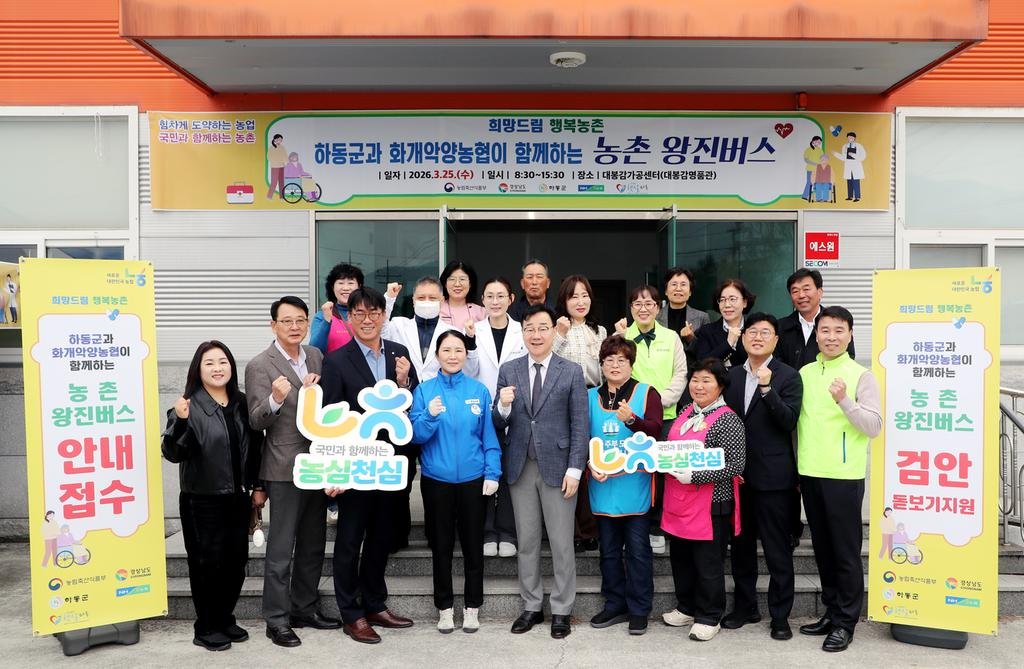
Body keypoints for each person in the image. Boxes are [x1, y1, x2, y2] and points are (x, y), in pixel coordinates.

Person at [320, 287, 419, 644]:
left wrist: (405, 381)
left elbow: (413, 402)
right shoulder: (336, 361)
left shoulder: (399, 353)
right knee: (350, 540)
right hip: (355, 467)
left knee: (381, 537)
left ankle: (375, 603)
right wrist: (335, 470)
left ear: (383, 316)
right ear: (349, 319)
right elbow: (330, 417)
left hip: (392, 464)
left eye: (374, 312)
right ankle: (352, 613)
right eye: (359, 313)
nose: (367, 319)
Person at [245, 296, 337, 648]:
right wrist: (275, 399)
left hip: (317, 463)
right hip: (283, 466)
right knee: (281, 548)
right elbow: (256, 420)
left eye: (300, 320)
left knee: (313, 543)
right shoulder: (259, 365)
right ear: (274, 326)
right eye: (287, 321)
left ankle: (304, 609)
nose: (294, 327)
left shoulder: (316, 356)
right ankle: (277, 620)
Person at [494, 304, 588, 640]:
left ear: (553, 331)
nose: (536, 335)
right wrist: (503, 405)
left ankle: (562, 608)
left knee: (562, 543)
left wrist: (575, 468)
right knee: (528, 541)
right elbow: (497, 421)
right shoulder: (509, 369)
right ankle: (531, 605)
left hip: (559, 467)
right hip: (521, 466)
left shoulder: (571, 371)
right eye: (530, 329)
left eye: (542, 328)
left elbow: (580, 424)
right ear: (523, 333)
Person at [163, 340, 262, 651]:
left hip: (237, 498)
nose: (217, 368)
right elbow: (173, 453)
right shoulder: (187, 406)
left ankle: (224, 618)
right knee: (207, 564)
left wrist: (258, 486)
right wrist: (180, 422)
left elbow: (255, 449)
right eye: (209, 363)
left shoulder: (241, 403)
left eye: (223, 362)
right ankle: (206, 626)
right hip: (201, 500)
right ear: (198, 369)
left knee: (236, 562)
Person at [796, 306, 881, 652]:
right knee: (823, 549)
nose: (831, 337)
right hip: (810, 472)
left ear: (850, 335)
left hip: (844, 476)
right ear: (816, 335)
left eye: (838, 330)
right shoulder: (804, 372)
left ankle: (846, 622)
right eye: (825, 330)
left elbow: (873, 426)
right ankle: (831, 612)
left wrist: (844, 400)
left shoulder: (862, 375)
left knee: (845, 552)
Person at [410, 330, 502, 634]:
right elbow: (415, 436)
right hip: (437, 481)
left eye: (458, 350)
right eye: (447, 350)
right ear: (437, 355)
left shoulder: (479, 390)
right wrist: (429, 416)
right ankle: (445, 608)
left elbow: (489, 437)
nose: (452, 355)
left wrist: (492, 473)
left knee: (474, 547)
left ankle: (472, 607)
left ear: (466, 355)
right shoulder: (424, 391)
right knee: (442, 547)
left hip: (474, 481)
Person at [720, 314, 803, 641]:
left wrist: (767, 389)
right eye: (751, 332)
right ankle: (745, 607)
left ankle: (780, 617)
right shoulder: (731, 376)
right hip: (737, 477)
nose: (757, 337)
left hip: (774, 480)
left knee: (777, 550)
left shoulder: (788, 376)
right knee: (741, 548)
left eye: (765, 332)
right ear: (742, 339)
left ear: (776, 340)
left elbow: (789, 421)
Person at [661, 358, 746, 642]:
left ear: (720, 386)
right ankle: (686, 607)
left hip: (711, 504)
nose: (698, 386)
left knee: (708, 563)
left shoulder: (728, 419)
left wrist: (695, 476)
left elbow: (736, 465)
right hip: (678, 501)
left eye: (706, 381)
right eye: (695, 380)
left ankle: (710, 616)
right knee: (681, 559)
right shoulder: (686, 410)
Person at [587, 337, 663, 636]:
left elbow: (656, 431)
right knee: (608, 552)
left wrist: (632, 420)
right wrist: (589, 464)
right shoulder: (590, 396)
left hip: (635, 486)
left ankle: (639, 609)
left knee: (638, 551)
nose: (615, 365)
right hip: (602, 485)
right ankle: (614, 604)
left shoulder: (646, 393)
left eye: (621, 360)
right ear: (601, 365)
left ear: (631, 364)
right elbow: (581, 436)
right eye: (609, 360)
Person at [614, 284, 688, 555]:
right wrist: (636, 407)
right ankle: (630, 525)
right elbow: (615, 374)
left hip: (665, 417)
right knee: (632, 471)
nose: (643, 309)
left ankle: (657, 527)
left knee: (661, 472)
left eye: (649, 304)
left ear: (658, 307)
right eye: (637, 304)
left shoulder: (671, 337)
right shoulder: (622, 337)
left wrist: (658, 402)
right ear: (631, 308)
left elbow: (681, 374)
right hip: (629, 417)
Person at [474, 277, 527, 557]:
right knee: (484, 469)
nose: (495, 301)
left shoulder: (522, 330)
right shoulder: (472, 330)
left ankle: (507, 531)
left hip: (515, 410)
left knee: (510, 471)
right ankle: (486, 530)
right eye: (490, 296)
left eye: (501, 296)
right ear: (482, 300)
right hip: (481, 410)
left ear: (511, 299)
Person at [553, 274, 606, 552]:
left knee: (591, 462)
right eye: (573, 296)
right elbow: (548, 361)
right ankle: (571, 529)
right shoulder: (555, 328)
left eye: (584, 295)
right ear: (564, 301)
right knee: (569, 462)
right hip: (562, 402)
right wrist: (559, 334)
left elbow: (606, 369)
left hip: (594, 399)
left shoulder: (600, 331)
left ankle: (590, 528)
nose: (580, 301)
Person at [382, 277, 479, 382]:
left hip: (439, 390)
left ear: (442, 301)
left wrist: (470, 340)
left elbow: (470, 371)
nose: (426, 302)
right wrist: (389, 299)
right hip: (405, 389)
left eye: (432, 298)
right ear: (413, 300)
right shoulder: (398, 325)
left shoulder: (452, 333)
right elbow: (381, 328)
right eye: (421, 298)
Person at [310, 263, 399, 356]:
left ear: (359, 286)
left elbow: (383, 335)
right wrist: (326, 321)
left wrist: (389, 298)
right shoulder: (322, 316)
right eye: (340, 283)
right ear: (332, 287)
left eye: (351, 283)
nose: (345, 288)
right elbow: (314, 350)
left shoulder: (369, 316)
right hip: (334, 365)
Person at [777, 269, 856, 371]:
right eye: (795, 291)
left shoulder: (838, 323)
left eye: (806, 289)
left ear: (820, 292)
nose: (801, 295)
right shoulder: (780, 327)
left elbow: (848, 357)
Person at [694, 278, 756, 369]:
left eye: (732, 299)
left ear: (744, 302)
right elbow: (702, 366)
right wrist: (728, 344)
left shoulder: (754, 330)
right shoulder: (706, 331)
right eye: (722, 300)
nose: (727, 305)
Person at [656, 267, 710, 371]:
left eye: (683, 284)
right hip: (661, 372)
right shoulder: (655, 317)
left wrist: (691, 339)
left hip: (692, 373)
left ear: (690, 292)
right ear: (666, 291)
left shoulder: (702, 317)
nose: (678, 288)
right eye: (674, 284)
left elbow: (706, 353)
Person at [439, 260, 486, 329]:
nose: (457, 284)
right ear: (445, 284)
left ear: (470, 283)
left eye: (462, 279)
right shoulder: (437, 310)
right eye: (452, 279)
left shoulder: (482, 312)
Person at [832, 131, 867, 202]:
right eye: (848, 138)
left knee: (856, 181)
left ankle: (857, 197)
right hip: (848, 165)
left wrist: (853, 155)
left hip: (856, 166)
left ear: (854, 138)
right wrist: (836, 154)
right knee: (849, 181)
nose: (850, 139)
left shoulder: (859, 146)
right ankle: (850, 196)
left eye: (851, 137)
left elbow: (863, 156)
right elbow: (843, 157)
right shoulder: (845, 146)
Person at [802, 136, 825, 201]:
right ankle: (805, 196)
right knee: (809, 182)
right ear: (813, 141)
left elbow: (822, 159)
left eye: (820, 143)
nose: (819, 144)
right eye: (818, 142)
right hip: (810, 169)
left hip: (818, 170)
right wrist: (815, 164)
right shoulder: (808, 149)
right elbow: (806, 160)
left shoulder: (820, 150)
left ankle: (818, 197)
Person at [266, 133, 287, 200]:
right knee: (274, 182)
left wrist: (286, 163)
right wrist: (276, 160)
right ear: (275, 139)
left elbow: (285, 156)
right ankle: (269, 196)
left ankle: (282, 197)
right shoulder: (271, 148)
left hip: (282, 166)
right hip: (274, 167)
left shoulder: (282, 147)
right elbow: (269, 157)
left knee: (281, 182)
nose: (280, 141)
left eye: (281, 140)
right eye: (279, 139)